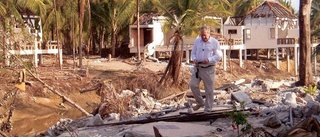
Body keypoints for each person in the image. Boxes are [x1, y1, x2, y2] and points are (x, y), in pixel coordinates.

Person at [190, 26, 222, 113]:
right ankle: (200, 102)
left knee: (209, 90)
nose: (203, 37)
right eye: (201, 35)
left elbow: (219, 55)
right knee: (193, 85)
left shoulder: (214, 42)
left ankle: (208, 109)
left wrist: (209, 60)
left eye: (204, 35)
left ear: (209, 34)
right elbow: (193, 52)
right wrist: (194, 58)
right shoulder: (197, 40)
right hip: (198, 68)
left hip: (209, 69)